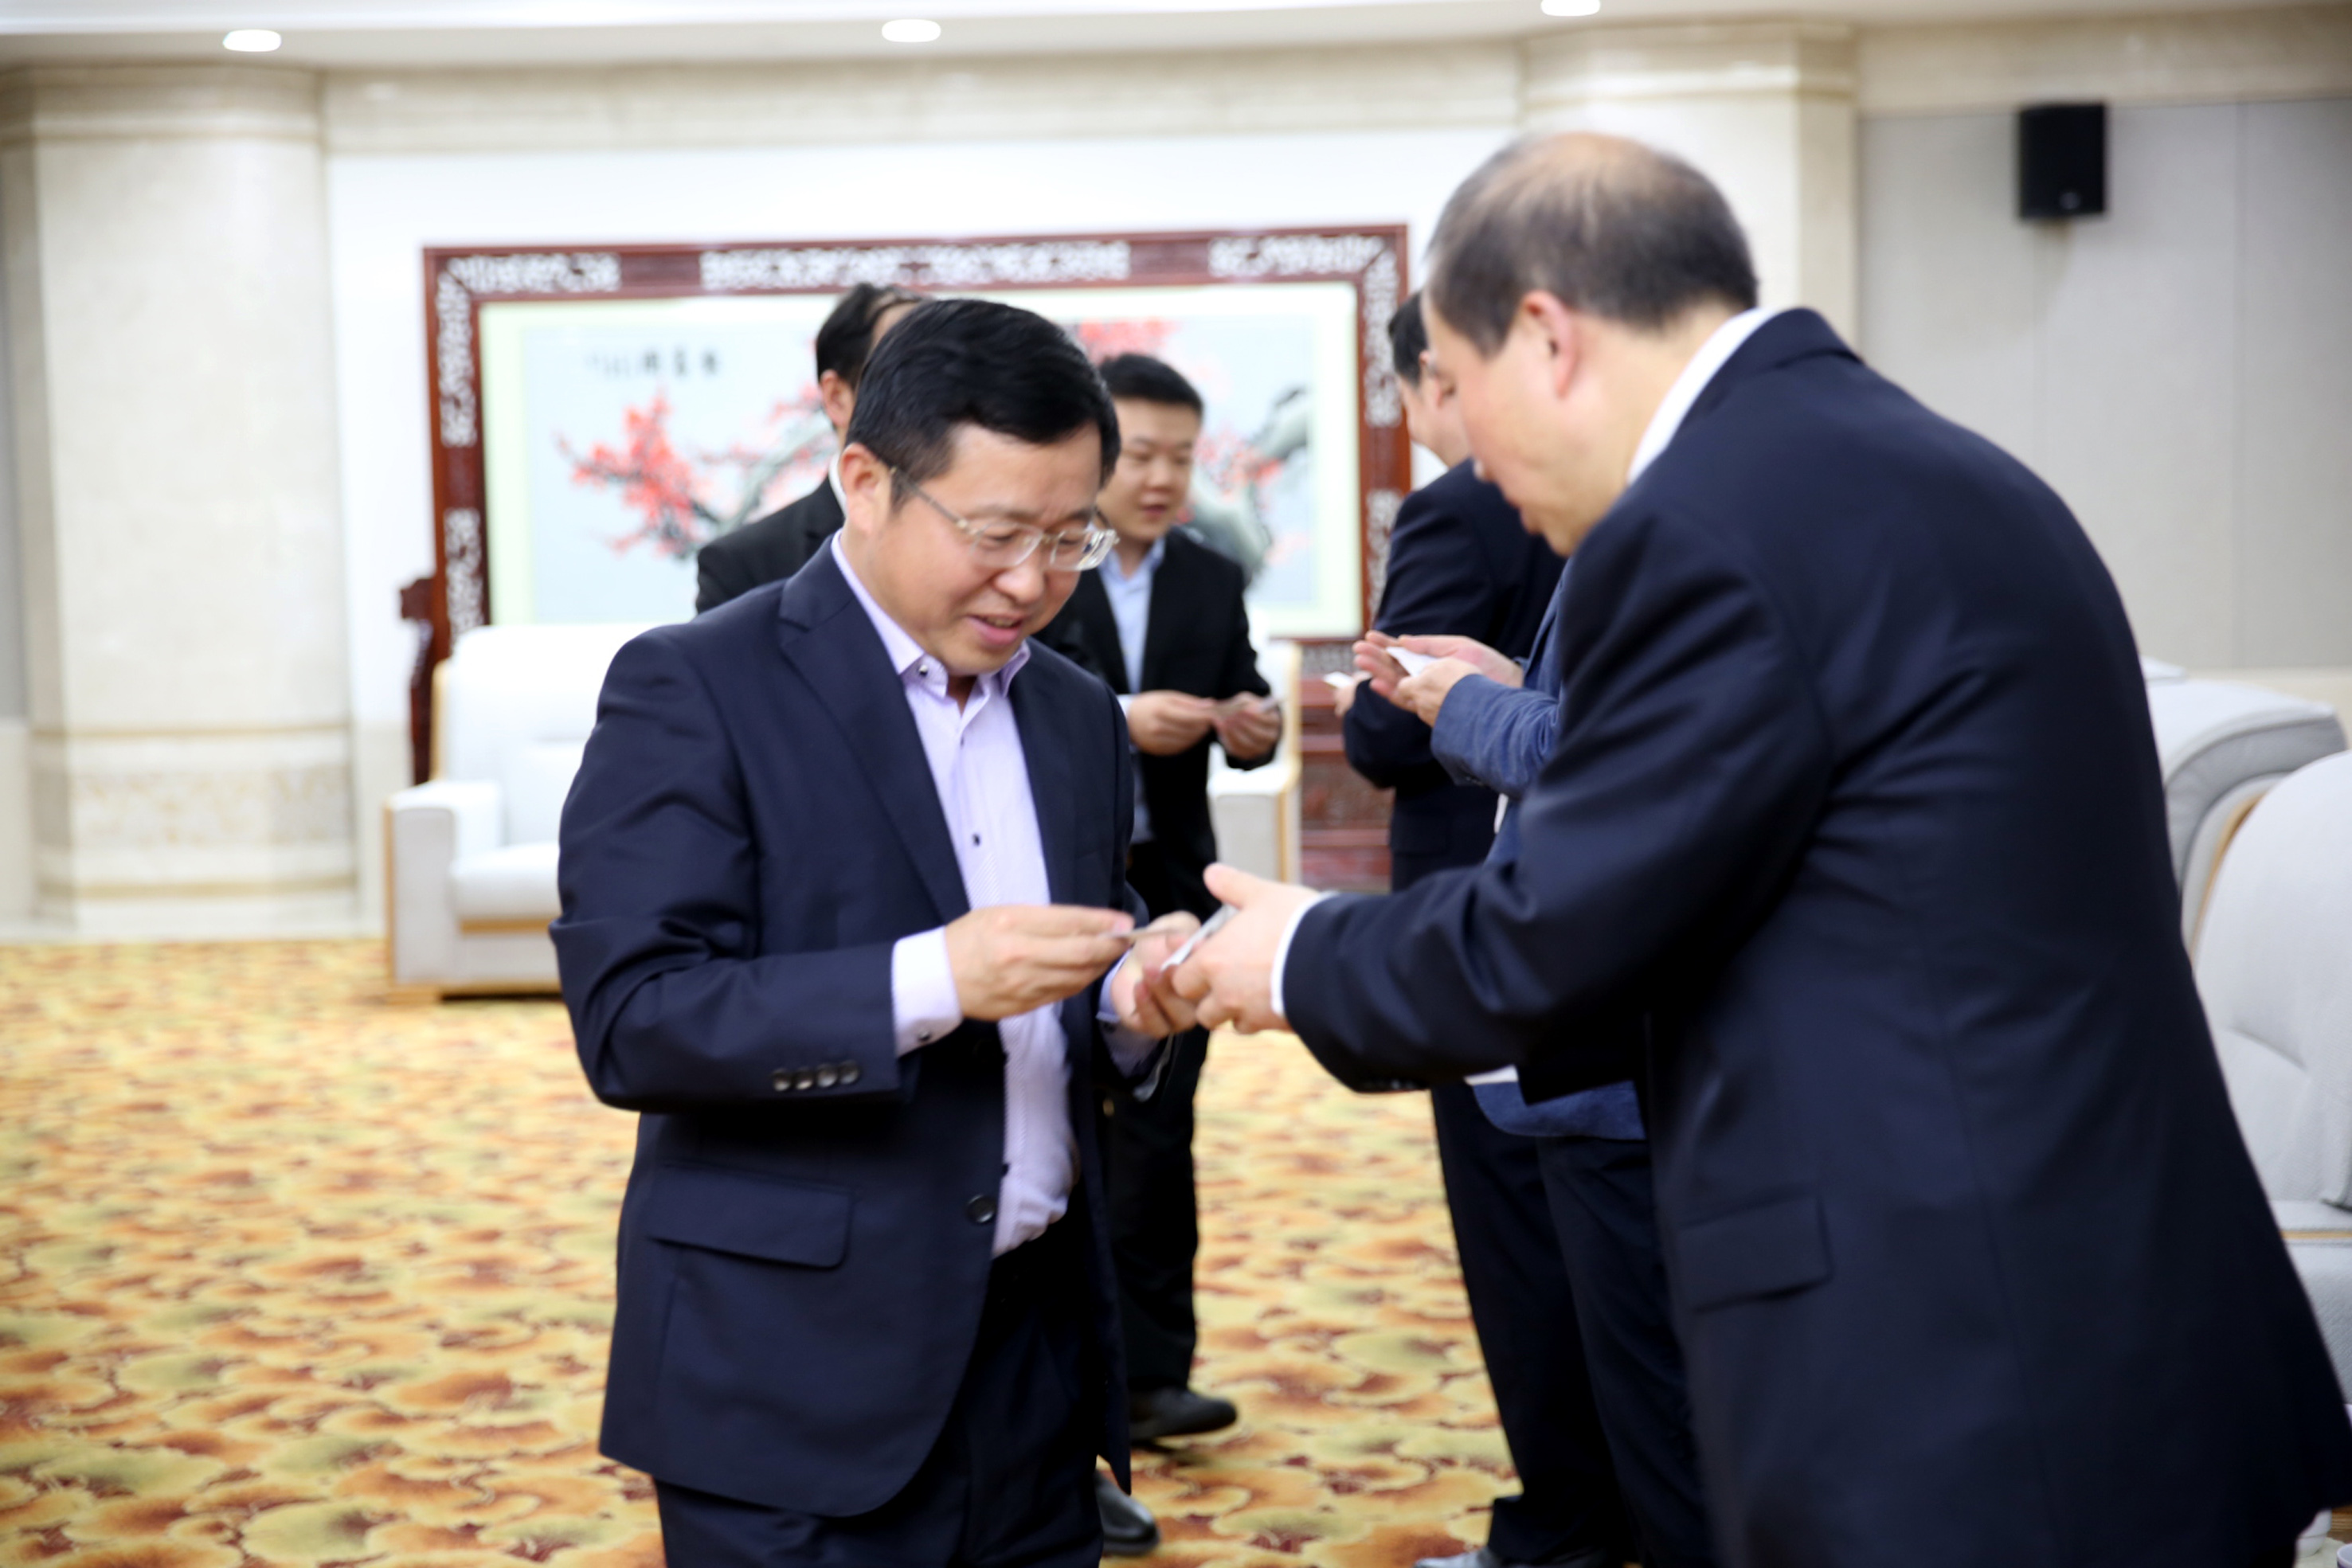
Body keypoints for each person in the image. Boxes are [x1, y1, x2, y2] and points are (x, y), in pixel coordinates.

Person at [1173, 131, 2352, 1566]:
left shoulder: (1708, 523)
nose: (1470, 450)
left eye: (1461, 390)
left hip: (1956, 1352)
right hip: (2081, 1294)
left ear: (1546, 333)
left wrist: (1296, 950)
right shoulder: (1898, 457)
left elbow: (1555, 926)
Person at [555, 298, 1203, 1568]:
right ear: (865, 481)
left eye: (1068, 537)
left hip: (1034, 1361)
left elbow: (1072, 959)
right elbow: (634, 1020)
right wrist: (934, 979)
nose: (1033, 581)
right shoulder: (696, 685)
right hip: (795, 1368)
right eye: (997, 534)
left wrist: (1129, 1002)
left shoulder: (1074, 712)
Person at [1341, 295, 1642, 1568]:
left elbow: (1386, 735)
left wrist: (1437, 701)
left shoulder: (1459, 505)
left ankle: (1564, 1526)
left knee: (1526, 1240)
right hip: (1595, 926)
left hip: (1498, 909)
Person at [1035, 352, 1280, 1445]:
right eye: (1138, 454)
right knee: (1051, 1131)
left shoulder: (1210, 577)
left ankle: (1152, 1374)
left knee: (1160, 1134)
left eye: (1180, 458)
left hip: (1173, 889)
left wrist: (1254, 723)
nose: (1160, 478)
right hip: (1056, 882)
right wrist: (1120, 717)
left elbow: (1244, 702)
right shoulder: (1040, 563)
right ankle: (1066, 1383)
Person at [695, 282, 923, 612]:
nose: (938, 397)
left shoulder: (987, 541)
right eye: (911, 375)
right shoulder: (744, 565)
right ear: (837, 397)